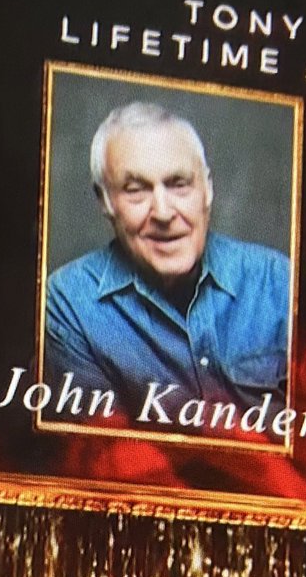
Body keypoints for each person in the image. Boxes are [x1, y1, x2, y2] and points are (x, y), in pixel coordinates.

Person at [44, 101, 291, 434]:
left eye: (178, 184)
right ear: (105, 201)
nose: (162, 212)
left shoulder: (280, 283)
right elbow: (106, 464)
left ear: (208, 189)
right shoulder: (68, 303)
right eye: (136, 190)